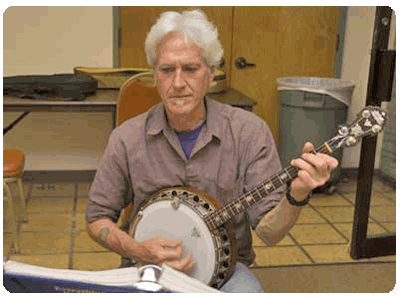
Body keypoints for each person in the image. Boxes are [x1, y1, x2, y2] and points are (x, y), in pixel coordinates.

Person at [86, 9, 338, 293]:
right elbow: (97, 218)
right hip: (145, 267)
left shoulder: (249, 133)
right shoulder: (126, 138)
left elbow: (269, 233)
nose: (178, 83)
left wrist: (297, 195)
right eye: (167, 70)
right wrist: (139, 249)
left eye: (191, 69)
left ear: (211, 73)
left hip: (226, 271)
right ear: (155, 75)